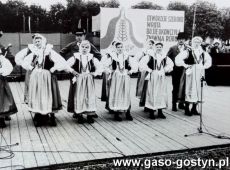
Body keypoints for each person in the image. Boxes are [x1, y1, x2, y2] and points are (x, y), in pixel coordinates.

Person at [23, 34, 67, 127]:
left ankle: (51, 116)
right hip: (36, 77)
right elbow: (25, 62)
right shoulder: (34, 53)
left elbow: (62, 62)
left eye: (39, 41)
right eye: (36, 41)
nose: (37, 43)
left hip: (47, 77)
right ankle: (39, 115)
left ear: (43, 41)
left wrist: (54, 68)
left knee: (48, 94)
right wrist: (30, 66)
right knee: (38, 95)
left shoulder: (49, 51)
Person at [67, 40, 103, 124]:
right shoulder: (75, 57)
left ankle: (89, 115)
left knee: (89, 96)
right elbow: (66, 65)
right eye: (82, 47)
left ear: (89, 48)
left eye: (86, 47)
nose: (84, 49)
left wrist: (95, 73)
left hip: (88, 79)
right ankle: (79, 115)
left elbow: (100, 67)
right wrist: (72, 71)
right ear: (80, 47)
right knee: (79, 96)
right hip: (79, 79)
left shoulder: (92, 57)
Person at [175, 36, 212, 116]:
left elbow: (209, 61)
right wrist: (185, 65)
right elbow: (178, 59)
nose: (196, 43)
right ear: (192, 42)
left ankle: (194, 108)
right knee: (189, 88)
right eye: (195, 42)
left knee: (198, 89)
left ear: (200, 43)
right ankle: (187, 108)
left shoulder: (203, 52)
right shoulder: (188, 51)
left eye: (198, 42)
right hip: (191, 72)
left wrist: (204, 66)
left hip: (200, 72)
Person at [139, 42, 173, 119]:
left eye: (160, 47)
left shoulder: (165, 56)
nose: (159, 48)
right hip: (153, 76)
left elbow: (171, 64)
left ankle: (160, 111)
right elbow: (142, 63)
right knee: (152, 92)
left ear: (162, 47)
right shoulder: (150, 56)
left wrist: (165, 69)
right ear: (155, 48)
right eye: (157, 47)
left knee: (161, 93)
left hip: (161, 76)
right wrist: (149, 69)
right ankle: (151, 111)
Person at [106, 42, 137, 121]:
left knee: (126, 93)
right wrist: (110, 71)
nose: (120, 49)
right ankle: (116, 113)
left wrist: (130, 71)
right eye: (118, 47)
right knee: (116, 93)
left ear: (123, 48)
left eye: (121, 47)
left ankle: (127, 112)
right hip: (116, 77)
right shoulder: (112, 57)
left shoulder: (127, 56)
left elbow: (135, 66)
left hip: (125, 77)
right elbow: (104, 65)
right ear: (115, 48)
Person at [167, 32, 188, 111]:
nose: (181, 41)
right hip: (176, 71)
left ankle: (181, 103)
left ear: (185, 40)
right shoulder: (173, 48)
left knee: (184, 87)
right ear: (177, 40)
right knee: (175, 87)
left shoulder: (188, 48)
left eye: (182, 39)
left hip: (185, 71)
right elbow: (167, 58)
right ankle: (174, 104)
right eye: (179, 39)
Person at [15, 34, 39, 104]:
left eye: (38, 39)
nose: (36, 41)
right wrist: (27, 66)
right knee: (29, 84)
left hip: (40, 70)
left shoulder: (42, 48)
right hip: (31, 70)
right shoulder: (29, 48)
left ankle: (37, 98)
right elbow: (18, 58)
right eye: (35, 39)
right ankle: (28, 99)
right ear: (33, 40)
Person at [0, 30, 15, 121]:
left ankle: (4, 114)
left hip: (1, 77)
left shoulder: (2, 49)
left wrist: (5, 71)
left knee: (3, 96)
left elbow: (12, 60)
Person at [0, 49, 18, 128]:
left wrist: (2, 71)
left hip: (0, 81)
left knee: (2, 99)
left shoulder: (2, 59)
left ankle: (1, 118)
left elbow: (8, 67)